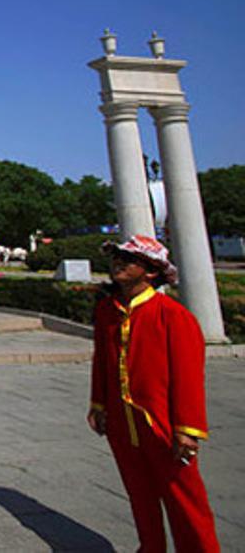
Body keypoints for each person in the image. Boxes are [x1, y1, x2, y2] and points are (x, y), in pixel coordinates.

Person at [88, 235, 220, 552]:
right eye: (117, 257)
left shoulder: (173, 316)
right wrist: (98, 403)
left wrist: (187, 429)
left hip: (161, 422)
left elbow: (188, 377)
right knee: (139, 494)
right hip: (123, 421)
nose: (118, 263)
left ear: (150, 271)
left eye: (128, 259)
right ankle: (150, 547)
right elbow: (102, 362)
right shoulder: (108, 311)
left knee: (184, 499)